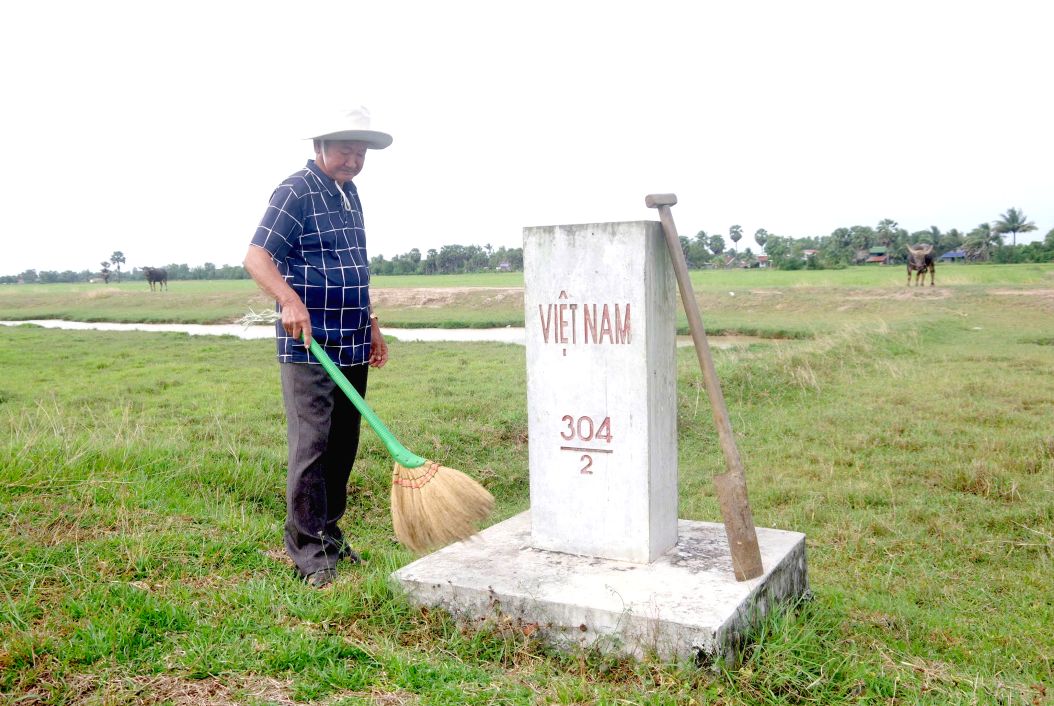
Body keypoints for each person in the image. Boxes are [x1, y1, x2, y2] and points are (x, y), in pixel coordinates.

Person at [244, 106, 391, 588]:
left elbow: (355, 265)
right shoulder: (296, 191)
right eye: (345, 149)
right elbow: (257, 256)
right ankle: (309, 552)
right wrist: (288, 299)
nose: (353, 159)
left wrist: (371, 323)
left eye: (360, 151)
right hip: (308, 343)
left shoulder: (351, 195)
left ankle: (329, 532)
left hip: (351, 338)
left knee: (344, 443)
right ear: (319, 147)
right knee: (314, 443)